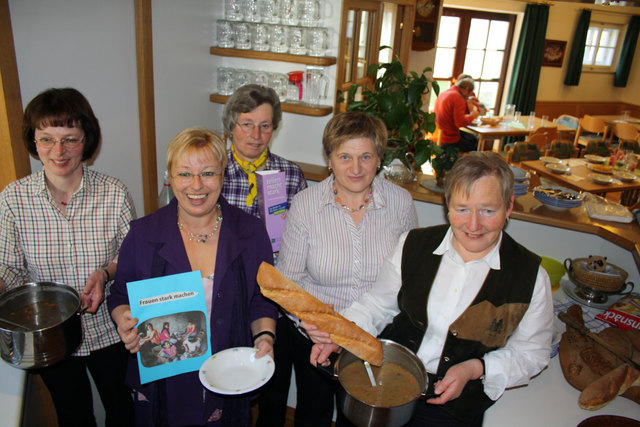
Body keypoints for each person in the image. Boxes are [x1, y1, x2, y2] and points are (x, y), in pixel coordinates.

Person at [307, 151, 554, 426]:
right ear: (447, 204)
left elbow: (533, 352)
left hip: (453, 407)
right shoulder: (412, 245)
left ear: (509, 207)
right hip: (383, 384)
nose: (473, 224)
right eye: (462, 209)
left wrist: (477, 368)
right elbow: (378, 305)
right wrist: (342, 334)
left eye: (488, 210)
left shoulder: (531, 277)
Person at [107, 127, 277, 426]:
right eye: (185, 174)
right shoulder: (143, 234)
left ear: (223, 177)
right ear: (169, 177)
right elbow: (120, 296)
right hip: (163, 380)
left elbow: (261, 300)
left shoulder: (250, 232)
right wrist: (124, 320)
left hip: (227, 374)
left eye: (208, 173)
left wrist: (265, 336)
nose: (196, 185)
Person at [262, 111, 419, 427]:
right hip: (318, 337)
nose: (356, 168)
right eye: (345, 156)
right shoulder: (306, 205)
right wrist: (310, 323)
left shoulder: (400, 203)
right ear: (329, 159)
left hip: (375, 336)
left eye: (365, 156)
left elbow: (411, 276)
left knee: (363, 420)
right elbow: (289, 282)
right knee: (313, 416)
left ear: (378, 159)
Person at [0, 87, 136, 427]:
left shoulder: (113, 192)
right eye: (46, 139)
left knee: (123, 409)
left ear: (86, 140)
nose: (58, 151)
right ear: (33, 141)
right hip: (50, 337)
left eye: (70, 139)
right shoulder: (14, 199)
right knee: (73, 416)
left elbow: (132, 258)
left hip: (110, 328)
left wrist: (105, 273)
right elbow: (10, 269)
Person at [221, 84, 307, 218]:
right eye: (247, 124)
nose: (256, 135)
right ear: (231, 127)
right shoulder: (214, 171)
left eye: (265, 125)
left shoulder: (292, 175)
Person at [434, 77, 481, 152]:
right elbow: (460, 123)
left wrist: (467, 101)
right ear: (466, 89)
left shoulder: (445, 93)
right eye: (470, 93)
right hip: (448, 139)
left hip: (436, 135)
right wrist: (473, 116)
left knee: (472, 138)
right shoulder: (458, 97)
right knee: (475, 147)